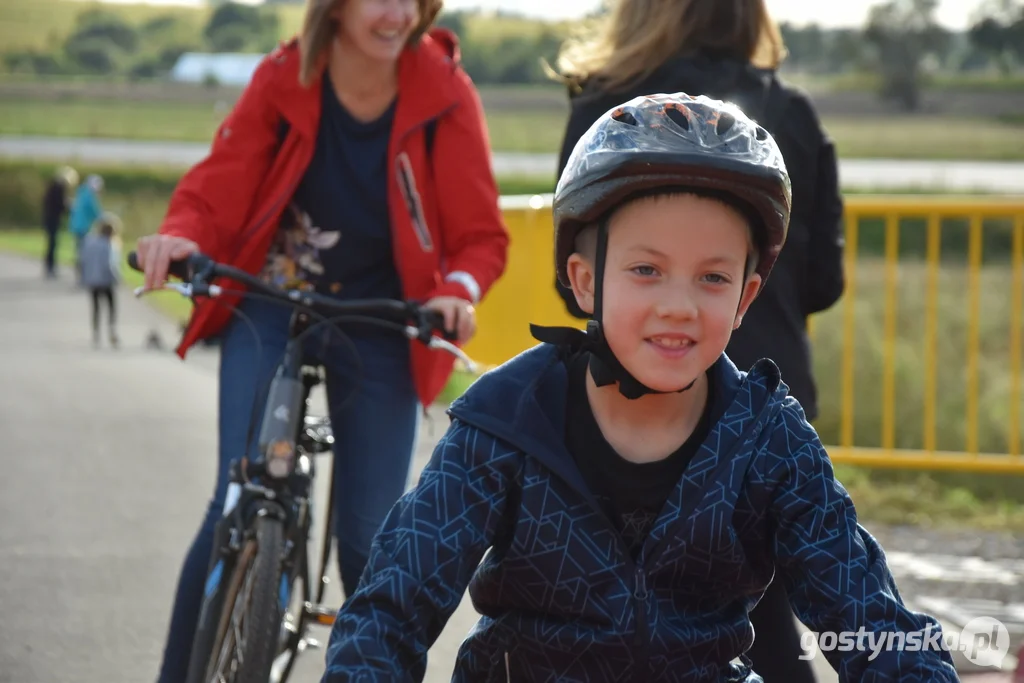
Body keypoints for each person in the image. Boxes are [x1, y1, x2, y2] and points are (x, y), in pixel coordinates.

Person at [320, 94, 957, 682]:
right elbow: (390, 609)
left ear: (746, 297)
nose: (678, 306)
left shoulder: (768, 439)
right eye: (646, 270)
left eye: (712, 278)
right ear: (586, 281)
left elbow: (873, 624)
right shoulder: (507, 420)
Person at [133, 0, 509, 679]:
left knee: (371, 541)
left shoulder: (445, 93)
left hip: (384, 320)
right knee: (236, 494)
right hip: (274, 301)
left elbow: (480, 234)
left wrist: (457, 288)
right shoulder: (286, 75)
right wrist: (183, 231)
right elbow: (219, 182)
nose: (397, 13)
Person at [547, 1, 846, 677]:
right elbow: (825, 279)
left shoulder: (607, 109)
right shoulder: (793, 112)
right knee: (765, 627)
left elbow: (572, 277)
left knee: (592, 624)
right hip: (770, 390)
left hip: (624, 408)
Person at [79, 212, 122, 348]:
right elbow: (108, 265)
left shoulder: (88, 242)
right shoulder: (107, 245)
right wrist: (117, 278)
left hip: (92, 280)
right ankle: (111, 331)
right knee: (111, 307)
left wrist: (84, 278)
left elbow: (83, 261)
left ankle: (96, 334)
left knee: (96, 308)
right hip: (105, 281)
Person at [41, 165, 78, 278]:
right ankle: (50, 267)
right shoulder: (59, 188)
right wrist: (69, 206)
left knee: (52, 242)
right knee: (53, 243)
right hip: (52, 218)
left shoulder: (53, 186)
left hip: (49, 218)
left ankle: (50, 266)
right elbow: (60, 204)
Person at [69, 174, 104, 284]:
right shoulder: (89, 196)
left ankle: (80, 277)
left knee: (80, 252)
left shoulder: (81, 192)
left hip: (76, 226)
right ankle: (82, 277)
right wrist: (104, 219)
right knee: (84, 253)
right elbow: (95, 212)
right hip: (83, 227)